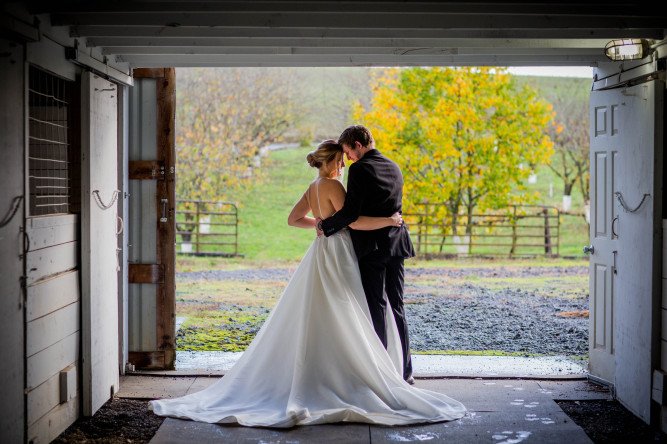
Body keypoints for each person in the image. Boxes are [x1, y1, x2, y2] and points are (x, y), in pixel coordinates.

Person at [149, 140, 465, 427]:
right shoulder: (333, 186)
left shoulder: (314, 186)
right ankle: (358, 372)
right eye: (341, 161)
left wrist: (320, 224)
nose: (344, 165)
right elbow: (353, 221)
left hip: (320, 251)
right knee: (348, 308)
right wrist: (388, 220)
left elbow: (294, 219)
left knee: (322, 308)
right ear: (330, 163)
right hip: (340, 251)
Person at [318, 125, 416, 383]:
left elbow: (351, 214)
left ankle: (381, 372)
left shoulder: (360, 169)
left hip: (372, 248)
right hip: (397, 244)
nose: (348, 158)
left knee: (376, 307)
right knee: (397, 306)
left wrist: (324, 226)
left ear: (358, 145)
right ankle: (406, 372)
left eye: (348, 152)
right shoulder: (394, 166)